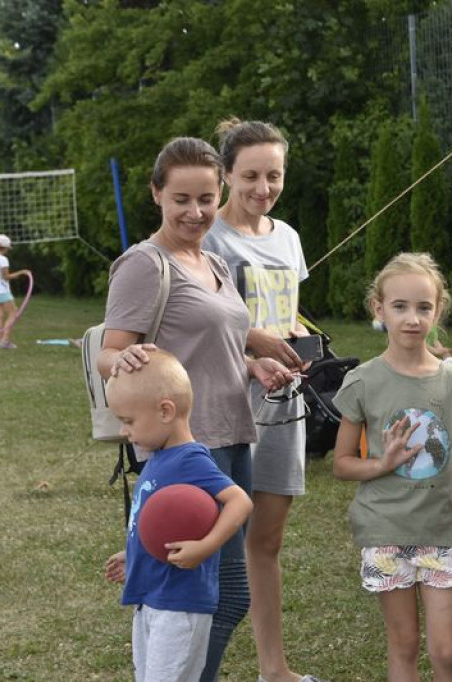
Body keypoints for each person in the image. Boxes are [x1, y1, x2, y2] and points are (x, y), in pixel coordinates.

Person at [98, 137, 295, 682]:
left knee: (216, 592)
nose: (195, 211)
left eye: (206, 199)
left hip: (232, 433)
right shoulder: (144, 264)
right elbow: (110, 353)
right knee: (214, 593)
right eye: (181, 198)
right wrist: (122, 358)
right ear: (156, 194)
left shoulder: (213, 261)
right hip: (184, 446)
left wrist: (252, 364)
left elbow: (214, 344)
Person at [200, 118, 323, 682]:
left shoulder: (288, 237)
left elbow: (283, 311)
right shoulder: (208, 236)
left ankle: (274, 669)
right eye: (250, 175)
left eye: (274, 175)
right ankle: (192, 665)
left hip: (282, 407)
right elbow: (197, 321)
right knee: (213, 544)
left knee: (266, 542)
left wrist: (297, 340)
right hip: (225, 404)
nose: (263, 187)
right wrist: (256, 343)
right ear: (226, 174)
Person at [332, 252, 452, 682]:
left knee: (447, 652)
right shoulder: (363, 381)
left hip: (441, 534)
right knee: (404, 646)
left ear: (438, 310)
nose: (412, 319)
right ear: (379, 309)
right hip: (384, 532)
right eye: (399, 306)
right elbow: (342, 464)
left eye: (423, 307)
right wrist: (384, 463)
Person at [102, 350, 253, 682]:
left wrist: (206, 546)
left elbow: (239, 501)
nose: (125, 431)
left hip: (180, 604)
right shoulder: (158, 457)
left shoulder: (190, 459)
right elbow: (163, 525)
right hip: (152, 598)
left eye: (129, 421)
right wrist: (134, 553)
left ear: (165, 411)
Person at [0, 234, 31, 349]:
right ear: (5, 247)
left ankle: (0, 341)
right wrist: (22, 272)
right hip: (1, 290)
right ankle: (4, 341)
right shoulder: (2, 259)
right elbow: (5, 277)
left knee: (0, 314)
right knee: (13, 312)